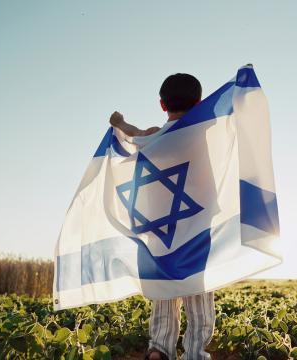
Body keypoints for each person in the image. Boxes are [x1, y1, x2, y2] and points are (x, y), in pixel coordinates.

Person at [109, 73, 216, 360]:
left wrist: (118, 123)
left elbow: (133, 134)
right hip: (194, 230)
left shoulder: (154, 137)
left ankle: (159, 349)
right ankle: (196, 353)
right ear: (199, 103)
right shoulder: (202, 131)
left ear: (161, 104)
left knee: (164, 294)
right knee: (198, 294)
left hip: (159, 233)